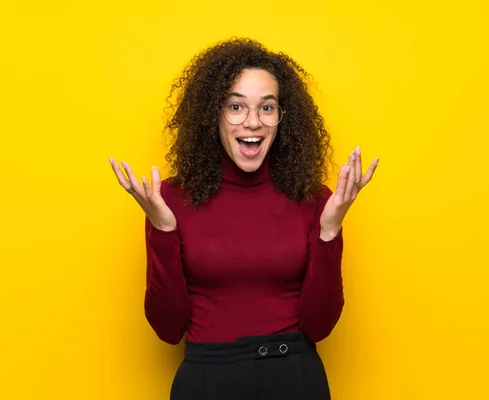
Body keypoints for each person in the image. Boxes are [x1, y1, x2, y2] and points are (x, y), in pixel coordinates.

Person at [108, 37, 378, 400]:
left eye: (267, 108)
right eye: (236, 106)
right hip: (207, 380)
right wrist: (163, 230)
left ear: (283, 117)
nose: (253, 122)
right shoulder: (169, 200)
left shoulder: (315, 200)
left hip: (294, 377)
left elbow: (319, 325)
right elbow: (168, 328)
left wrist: (330, 230)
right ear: (213, 113)